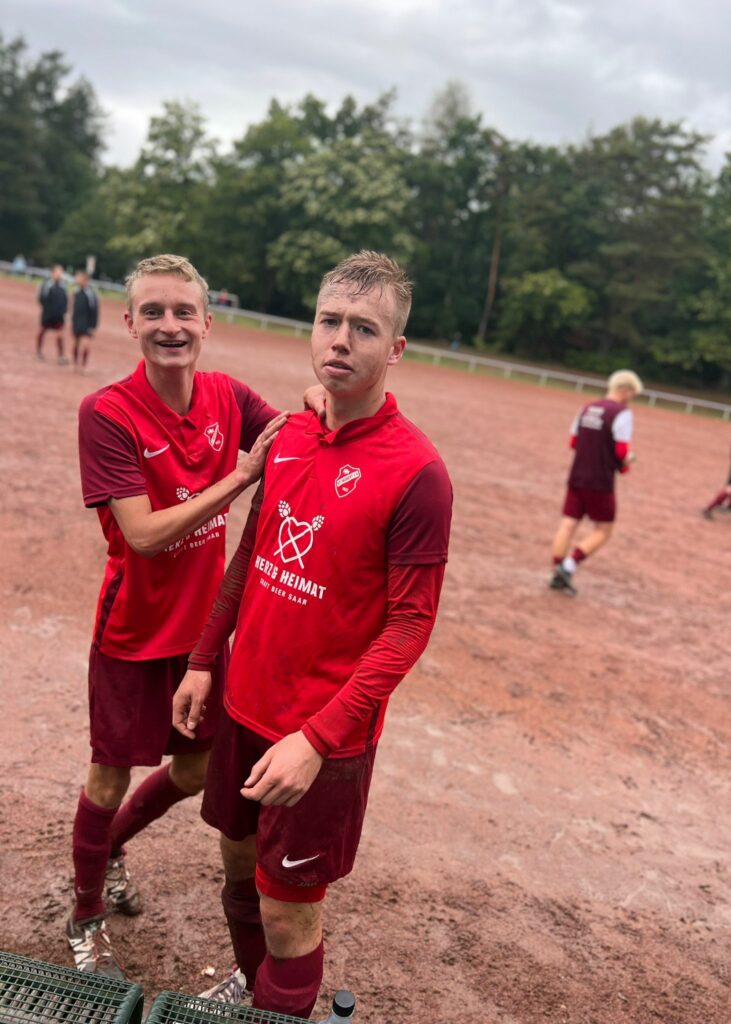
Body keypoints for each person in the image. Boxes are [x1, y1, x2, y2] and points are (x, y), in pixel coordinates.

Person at [172, 251, 453, 1019]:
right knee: (236, 868)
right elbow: (249, 556)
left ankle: (276, 993)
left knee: (289, 912)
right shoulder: (290, 435)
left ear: (395, 349)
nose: (340, 340)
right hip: (241, 705)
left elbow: (408, 626)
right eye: (330, 321)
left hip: (319, 735)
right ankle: (256, 987)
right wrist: (203, 663)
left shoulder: (418, 472)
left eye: (364, 329)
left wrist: (320, 738)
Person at [67, 253, 324, 979]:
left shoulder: (226, 395)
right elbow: (145, 535)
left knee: (194, 769)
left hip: (205, 638)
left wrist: (318, 397)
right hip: (133, 631)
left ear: (207, 324)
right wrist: (240, 477)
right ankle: (85, 912)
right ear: (130, 324)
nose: (169, 325)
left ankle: (113, 845)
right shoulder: (108, 413)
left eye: (183, 312)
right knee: (107, 778)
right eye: (153, 312)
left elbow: (298, 438)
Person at [549, 370, 643, 596]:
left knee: (568, 523)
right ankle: (568, 566)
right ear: (625, 389)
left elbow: (573, 442)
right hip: (600, 480)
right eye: (633, 393)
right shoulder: (622, 413)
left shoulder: (587, 407)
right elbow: (620, 450)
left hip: (577, 475)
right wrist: (627, 460)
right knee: (604, 529)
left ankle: (556, 569)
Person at [37, 264, 68, 364]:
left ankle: (61, 356)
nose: (59, 275)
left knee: (60, 335)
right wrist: (47, 310)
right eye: (57, 272)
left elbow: (65, 300)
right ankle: (39, 351)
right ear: (52, 273)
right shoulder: (46, 285)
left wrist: (63, 311)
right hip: (48, 315)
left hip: (59, 316)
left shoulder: (63, 286)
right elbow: (41, 298)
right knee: (42, 332)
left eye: (61, 273)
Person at [71, 270, 100, 370]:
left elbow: (95, 311)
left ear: (84, 280)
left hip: (87, 324)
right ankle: (75, 364)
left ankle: (83, 366)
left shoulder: (91, 294)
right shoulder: (76, 292)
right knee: (75, 344)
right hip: (77, 323)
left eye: (78, 277)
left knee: (86, 345)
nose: (76, 279)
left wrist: (93, 326)